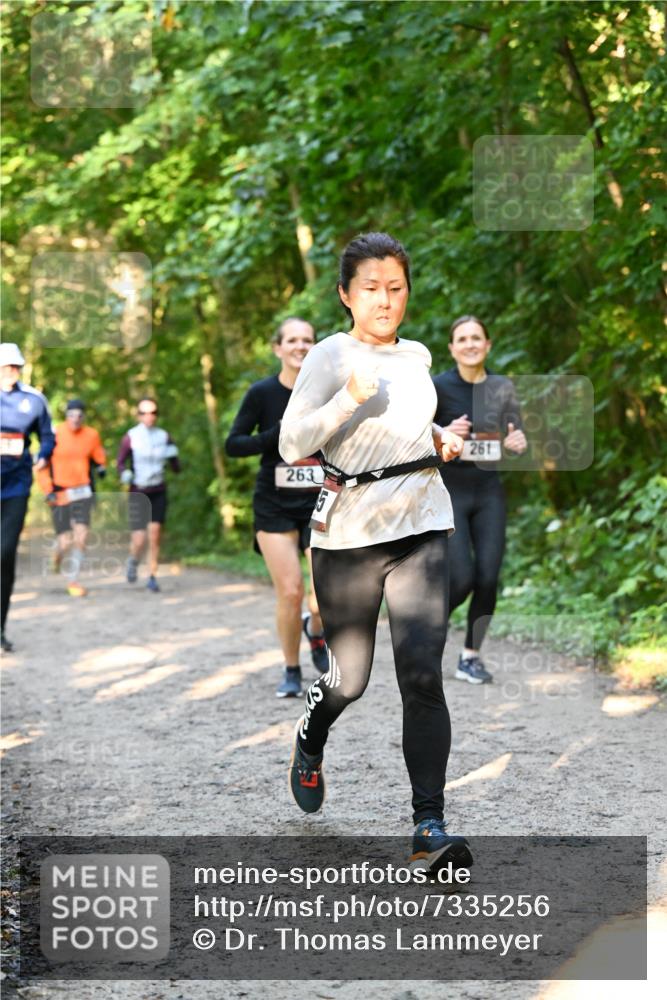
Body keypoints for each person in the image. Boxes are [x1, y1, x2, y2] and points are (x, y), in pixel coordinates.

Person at [279, 233, 473, 873]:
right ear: (345, 294)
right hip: (348, 535)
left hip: (421, 521)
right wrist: (347, 398)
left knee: (422, 676)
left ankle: (429, 824)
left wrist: (442, 437)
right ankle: (311, 736)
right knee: (350, 679)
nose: (385, 299)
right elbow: (290, 443)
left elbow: (409, 427)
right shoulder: (331, 356)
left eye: (395, 287)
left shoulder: (417, 354)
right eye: (371, 288)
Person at [225, 318, 329, 699]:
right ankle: (291, 668)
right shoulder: (262, 393)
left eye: (307, 340)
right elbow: (234, 444)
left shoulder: (329, 392)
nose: (300, 346)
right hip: (273, 503)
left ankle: (316, 631)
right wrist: (276, 434)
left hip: (320, 500)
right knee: (290, 591)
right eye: (292, 340)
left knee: (323, 594)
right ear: (278, 348)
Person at [433, 315, 527, 685]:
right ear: (452, 348)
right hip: (451, 491)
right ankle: (424, 631)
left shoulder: (502, 387)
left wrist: (518, 445)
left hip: (488, 492)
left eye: (477, 338)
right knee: (462, 580)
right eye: (462, 338)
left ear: (487, 345)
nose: (470, 344)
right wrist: (441, 436)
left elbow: (514, 437)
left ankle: (469, 656)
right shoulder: (438, 387)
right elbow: (415, 442)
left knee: (488, 578)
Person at [0, 343, 55, 651]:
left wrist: (44, 455)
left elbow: (47, 435)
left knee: (4, 554)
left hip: (16, 486)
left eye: (16, 367)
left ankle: (0, 627)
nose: (11, 372)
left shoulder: (33, 399)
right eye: (6, 367)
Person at [37, 399, 107, 597]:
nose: (75, 419)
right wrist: (46, 489)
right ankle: (57, 557)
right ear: (66, 416)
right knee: (65, 541)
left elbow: (98, 454)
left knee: (82, 536)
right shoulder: (55, 434)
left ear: (84, 417)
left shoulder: (91, 434)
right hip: (59, 492)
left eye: (79, 415)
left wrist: (102, 466)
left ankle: (73, 580)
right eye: (71, 415)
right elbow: (42, 466)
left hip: (82, 491)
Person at [117, 398, 180, 593]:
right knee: (139, 539)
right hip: (138, 492)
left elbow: (176, 467)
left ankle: (152, 576)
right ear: (138, 415)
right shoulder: (131, 437)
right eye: (144, 413)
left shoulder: (164, 436)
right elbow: (120, 462)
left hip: (158, 490)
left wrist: (174, 458)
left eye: (152, 413)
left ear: (157, 415)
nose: (149, 417)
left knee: (155, 535)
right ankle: (133, 561)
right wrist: (124, 474)